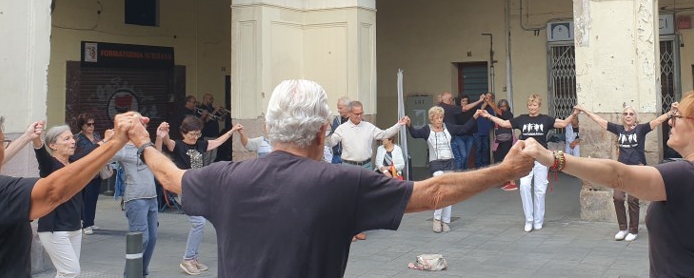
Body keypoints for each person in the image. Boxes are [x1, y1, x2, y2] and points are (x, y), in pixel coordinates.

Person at [128, 79, 536, 278]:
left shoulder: (223, 178)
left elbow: (170, 177)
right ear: (324, 132)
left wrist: (143, 141)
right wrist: (504, 170)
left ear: (269, 127)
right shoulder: (341, 183)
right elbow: (435, 192)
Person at [518, 90, 694, 277]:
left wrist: (552, 158)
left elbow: (618, 175)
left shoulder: (686, 176)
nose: (671, 121)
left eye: (677, 116)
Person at [0, 108, 138, 276]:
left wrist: (26, 137)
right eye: (2, 142)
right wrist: (115, 142)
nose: (4, 149)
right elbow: (53, 191)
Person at [476, 94, 580, 232]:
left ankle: (538, 220)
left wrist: (574, 114)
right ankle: (529, 220)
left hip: (541, 158)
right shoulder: (522, 119)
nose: (532, 107)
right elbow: (505, 123)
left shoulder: (545, 119)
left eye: (534, 105)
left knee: (540, 190)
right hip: (525, 158)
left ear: (539, 106)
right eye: (530, 105)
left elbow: (563, 124)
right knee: (524, 186)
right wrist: (488, 116)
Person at [155, 116, 243, 275]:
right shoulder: (177, 145)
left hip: (198, 189)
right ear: (183, 132)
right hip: (184, 188)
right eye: (192, 134)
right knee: (199, 223)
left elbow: (217, 141)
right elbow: (164, 144)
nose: (195, 137)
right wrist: (162, 133)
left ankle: (193, 258)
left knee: (201, 223)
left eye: (198, 134)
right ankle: (188, 259)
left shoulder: (201, 145)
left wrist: (232, 131)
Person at [578, 102, 677, 241]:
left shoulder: (641, 129)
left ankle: (633, 230)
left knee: (632, 199)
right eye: (625, 114)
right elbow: (600, 121)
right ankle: (623, 228)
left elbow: (656, 122)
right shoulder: (619, 129)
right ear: (622, 117)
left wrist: (670, 113)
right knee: (617, 198)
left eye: (631, 114)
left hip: (636, 169)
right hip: (621, 169)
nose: (628, 116)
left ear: (635, 117)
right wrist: (584, 110)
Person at [327, 101, 408, 240]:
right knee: (349, 199)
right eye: (356, 114)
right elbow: (331, 142)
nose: (359, 116)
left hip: (366, 165)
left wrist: (399, 124)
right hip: (349, 166)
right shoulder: (342, 128)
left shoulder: (368, 126)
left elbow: (384, 134)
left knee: (363, 199)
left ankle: (358, 228)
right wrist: (324, 132)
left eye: (361, 113)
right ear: (350, 113)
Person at [407, 105, 476, 232]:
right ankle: (436, 219)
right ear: (431, 119)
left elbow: (464, 128)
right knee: (441, 191)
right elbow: (414, 134)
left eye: (441, 117)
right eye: (437, 118)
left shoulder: (448, 127)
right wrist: (409, 125)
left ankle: (445, 221)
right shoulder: (427, 130)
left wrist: (475, 116)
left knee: (448, 193)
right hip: (436, 163)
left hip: (450, 162)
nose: (439, 120)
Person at [34, 125, 88, 278]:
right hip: (55, 229)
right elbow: (40, 153)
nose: (73, 142)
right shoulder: (50, 165)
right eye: (66, 139)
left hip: (75, 227)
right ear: (53, 145)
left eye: (72, 138)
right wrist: (36, 138)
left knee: (65, 273)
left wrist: (108, 141)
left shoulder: (74, 162)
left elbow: (92, 153)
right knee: (71, 272)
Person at [110, 116, 160, 277]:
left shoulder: (147, 146)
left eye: (144, 125)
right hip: (136, 199)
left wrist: (160, 137)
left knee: (152, 238)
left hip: (152, 197)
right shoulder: (124, 149)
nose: (144, 128)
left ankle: (142, 273)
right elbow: (106, 156)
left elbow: (157, 160)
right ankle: (131, 275)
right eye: (140, 125)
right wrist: (112, 139)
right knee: (141, 239)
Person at [70, 113, 105, 235]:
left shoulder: (96, 136)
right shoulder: (77, 138)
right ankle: (86, 224)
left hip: (97, 170)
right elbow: (77, 154)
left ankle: (90, 221)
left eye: (93, 124)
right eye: (88, 124)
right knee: (86, 198)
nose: (91, 127)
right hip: (84, 171)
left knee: (94, 198)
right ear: (82, 126)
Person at [200, 93, 232, 162]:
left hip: (215, 135)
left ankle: (211, 168)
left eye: (212, 99)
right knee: (207, 157)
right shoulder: (202, 108)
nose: (212, 100)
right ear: (205, 99)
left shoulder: (212, 108)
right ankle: (206, 169)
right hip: (207, 135)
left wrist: (224, 112)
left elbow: (221, 119)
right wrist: (216, 110)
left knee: (213, 156)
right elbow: (206, 120)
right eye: (210, 99)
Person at [494, 99, 517, 191]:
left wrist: (489, 102)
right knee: (500, 161)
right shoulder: (498, 116)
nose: (503, 108)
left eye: (504, 106)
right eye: (501, 106)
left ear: (507, 107)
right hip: (499, 141)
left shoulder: (508, 114)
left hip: (507, 141)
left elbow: (500, 112)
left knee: (508, 161)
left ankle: (512, 182)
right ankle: (507, 180)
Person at [473, 92, 498, 168]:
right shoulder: (480, 104)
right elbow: (481, 109)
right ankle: (478, 166)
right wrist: (486, 102)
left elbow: (493, 117)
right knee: (478, 148)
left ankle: (485, 165)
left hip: (486, 132)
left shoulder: (491, 107)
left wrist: (489, 102)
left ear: (492, 99)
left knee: (485, 148)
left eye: (489, 97)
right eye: (486, 96)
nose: (487, 98)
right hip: (477, 131)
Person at [331, 96, 351, 164]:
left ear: (348, 107)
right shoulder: (336, 120)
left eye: (340, 108)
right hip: (336, 157)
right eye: (338, 108)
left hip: (350, 158)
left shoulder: (356, 121)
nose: (338, 110)